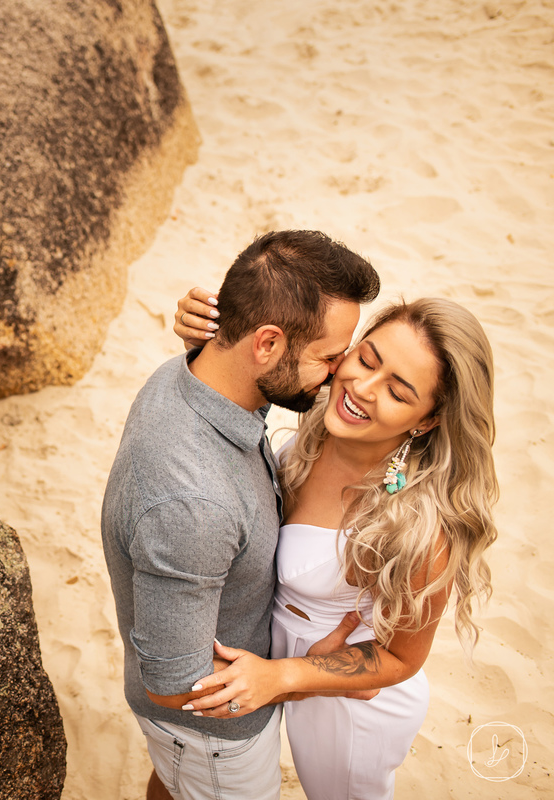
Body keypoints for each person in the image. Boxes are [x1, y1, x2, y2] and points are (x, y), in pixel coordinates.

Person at [174, 291, 498, 799]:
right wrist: (208, 338)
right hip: (273, 667)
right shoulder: (320, 415)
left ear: (427, 420)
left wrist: (285, 676)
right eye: (366, 358)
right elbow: (256, 364)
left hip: (350, 709)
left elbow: (401, 659)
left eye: (398, 392)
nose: (362, 388)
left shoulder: (415, 524)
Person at [101, 230, 382, 800]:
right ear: (267, 344)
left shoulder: (188, 373)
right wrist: (293, 681)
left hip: (186, 736)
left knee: (170, 780)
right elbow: (176, 688)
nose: (337, 374)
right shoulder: (196, 505)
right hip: (215, 739)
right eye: (329, 358)